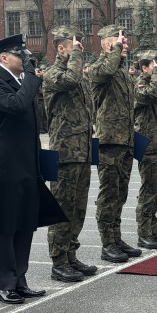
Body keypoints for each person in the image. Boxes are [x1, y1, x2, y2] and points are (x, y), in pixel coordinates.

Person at [0, 34, 65, 302]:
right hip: (6, 163)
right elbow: (17, 106)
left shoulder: (21, 82)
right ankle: (5, 284)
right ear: (4, 58)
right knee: (5, 225)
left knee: (25, 222)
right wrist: (30, 76)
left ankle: (20, 278)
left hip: (28, 161)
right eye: (20, 55)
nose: (25, 59)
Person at [43, 26, 98, 282]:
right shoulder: (53, 74)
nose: (80, 52)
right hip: (65, 151)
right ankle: (58, 261)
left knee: (78, 208)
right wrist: (76, 54)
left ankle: (71, 254)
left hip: (82, 149)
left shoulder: (78, 75)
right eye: (75, 47)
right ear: (61, 48)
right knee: (62, 207)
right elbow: (71, 80)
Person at [91, 25, 140, 263]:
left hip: (125, 141)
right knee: (109, 194)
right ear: (109, 45)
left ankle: (116, 238)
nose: (126, 45)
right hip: (109, 142)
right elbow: (105, 71)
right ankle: (107, 243)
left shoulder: (121, 72)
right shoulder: (99, 68)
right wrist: (116, 49)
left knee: (120, 193)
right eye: (121, 41)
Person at [133, 49, 157, 249]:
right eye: (154, 66)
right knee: (148, 190)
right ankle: (143, 232)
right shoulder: (140, 85)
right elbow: (152, 96)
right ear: (144, 68)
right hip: (148, 144)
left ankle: (152, 229)